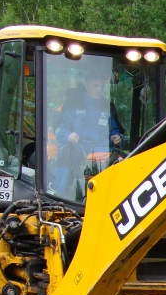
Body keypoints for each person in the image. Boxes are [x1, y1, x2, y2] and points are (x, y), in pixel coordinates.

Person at [51, 69, 121, 200]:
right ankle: (58, 198)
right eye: (96, 86)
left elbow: (114, 131)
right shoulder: (73, 104)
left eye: (102, 86)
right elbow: (61, 130)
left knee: (122, 160)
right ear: (87, 84)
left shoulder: (106, 107)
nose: (99, 89)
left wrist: (117, 138)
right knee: (67, 152)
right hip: (78, 151)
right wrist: (68, 136)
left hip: (101, 154)